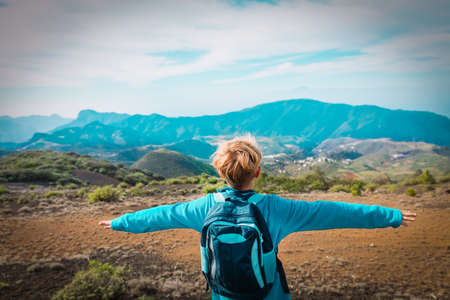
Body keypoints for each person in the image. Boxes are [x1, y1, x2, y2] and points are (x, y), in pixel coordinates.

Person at [99, 135, 416, 300]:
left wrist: (118, 222)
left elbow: (160, 216)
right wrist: (391, 215)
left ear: (220, 172)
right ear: (258, 172)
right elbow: (333, 211)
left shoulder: (202, 208)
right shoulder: (278, 209)